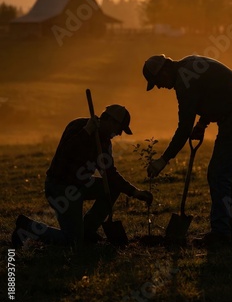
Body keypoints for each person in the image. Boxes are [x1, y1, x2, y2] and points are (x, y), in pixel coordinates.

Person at [142, 54, 232, 248]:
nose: (160, 87)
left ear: (164, 70)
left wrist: (164, 159)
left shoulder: (184, 81)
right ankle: (225, 230)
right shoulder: (188, 65)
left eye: (157, 81)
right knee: (227, 175)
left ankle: (221, 234)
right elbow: (214, 93)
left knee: (219, 174)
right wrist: (203, 123)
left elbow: (183, 128)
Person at [12, 104, 153, 249]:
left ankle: (87, 231)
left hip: (81, 185)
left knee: (112, 188)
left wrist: (135, 192)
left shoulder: (104, 142)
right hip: (61, 188)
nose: (119, 134)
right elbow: (66, 153)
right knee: (72, 242)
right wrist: (87, 132)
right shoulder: (78, 126)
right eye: (119, 129)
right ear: (111, 121)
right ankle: (27, 227)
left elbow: (109, 174)